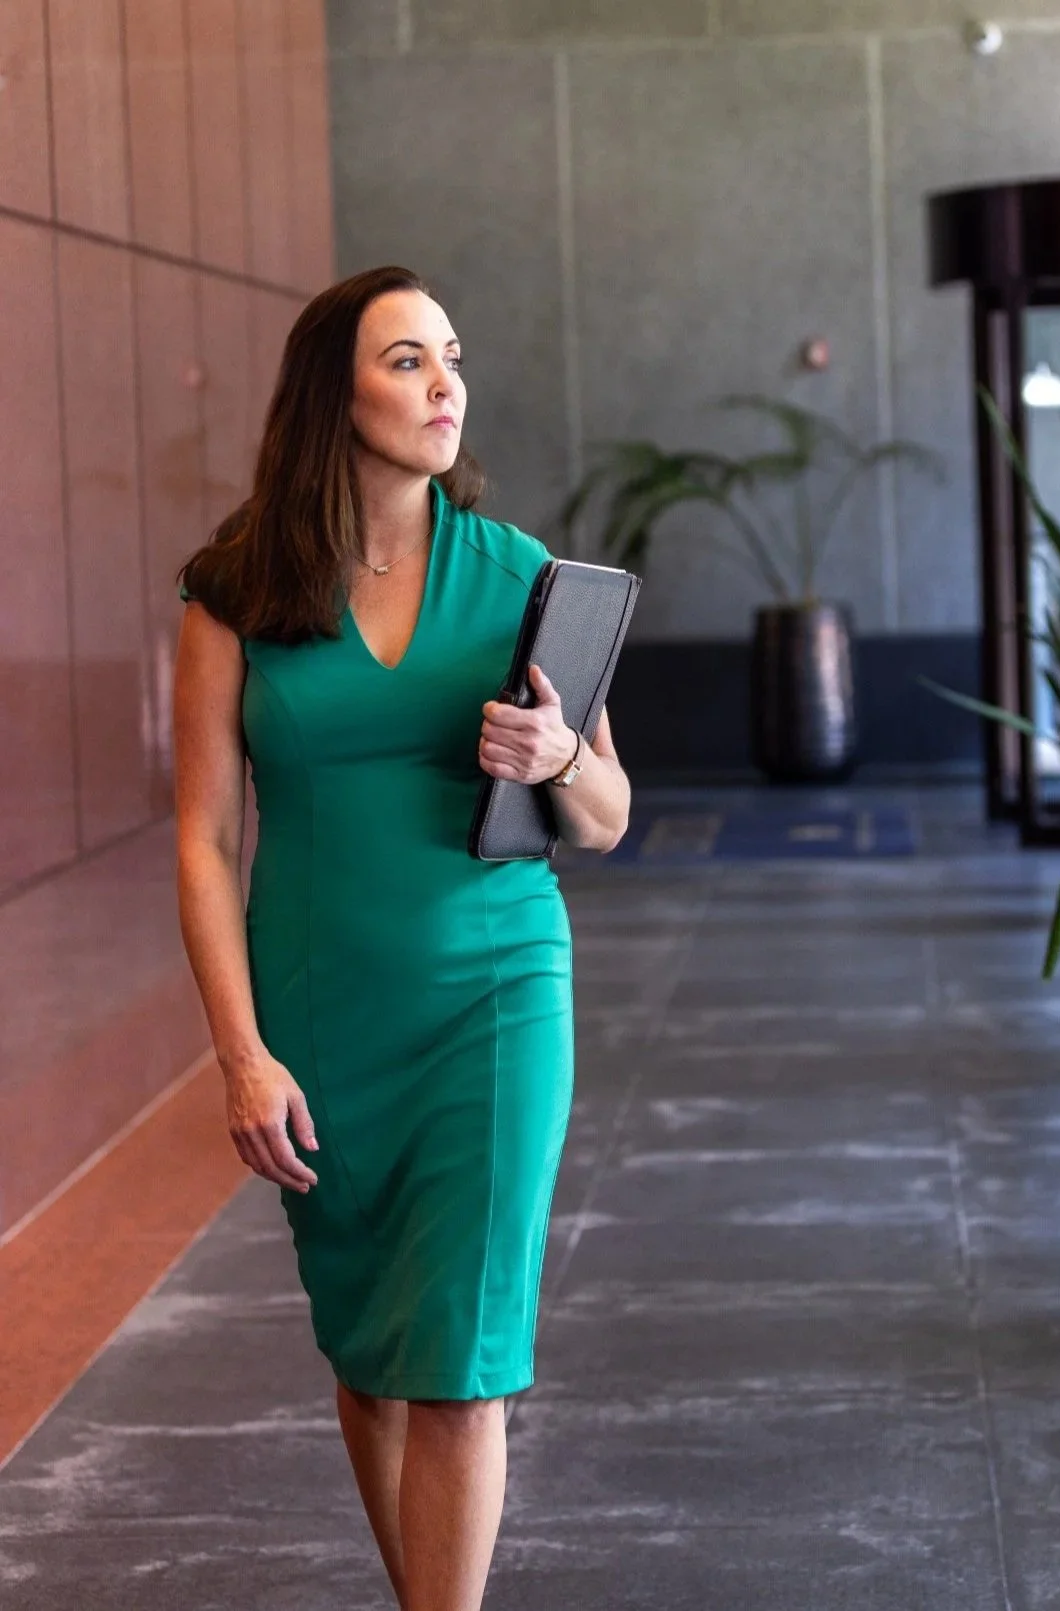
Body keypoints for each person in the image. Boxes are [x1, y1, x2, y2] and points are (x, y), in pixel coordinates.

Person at [172, 264, 631, 1611]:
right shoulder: (233, 587)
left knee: (464, 1359)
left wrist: (556, 752)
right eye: (408, 360)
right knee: (371, 1348)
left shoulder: (526, 578)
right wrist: (240, 1054)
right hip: (319, 1007)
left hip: (494, 992)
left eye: (451, 357)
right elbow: (202, 836)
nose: (445, 387)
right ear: (336, 391)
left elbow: (603, 815)